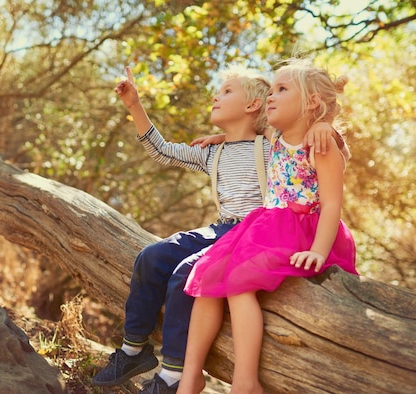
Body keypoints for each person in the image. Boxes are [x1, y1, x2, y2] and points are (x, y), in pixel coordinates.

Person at [92, 65, 345, 394]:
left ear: (252, 106)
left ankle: (174, 375)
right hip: (221, 228)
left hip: (258, 232)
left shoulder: (271, 145)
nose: (216, 95)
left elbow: (304, 129)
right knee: (151, 256)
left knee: (188, 274)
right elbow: (162, 150)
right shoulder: (214, 152)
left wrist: (324, 123)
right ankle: (132, 351)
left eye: (227, 91)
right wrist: (135, 106)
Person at [177, 58, 358, 394]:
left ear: (311, 102)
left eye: (282, 89)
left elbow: (333, 203)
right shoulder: (273, 134)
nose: (271, 97)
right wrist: (220, 136)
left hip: (303, 230)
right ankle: (191, 376)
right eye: (271, 90)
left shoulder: (320, 142)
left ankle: (246, 382)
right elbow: (247, 130)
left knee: (239, 284)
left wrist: (318, 250)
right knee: (208, 276)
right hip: (264, 224)